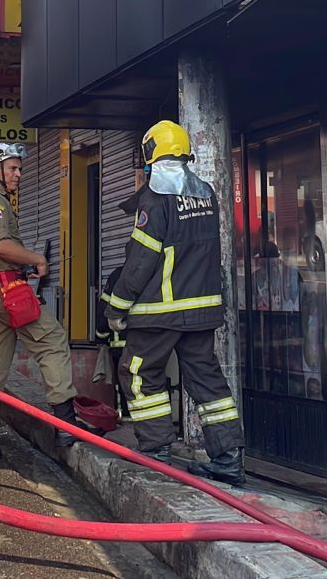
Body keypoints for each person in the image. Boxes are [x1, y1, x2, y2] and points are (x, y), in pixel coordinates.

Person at [103, 120, 245, 485]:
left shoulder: (154, 199)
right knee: (208, 383)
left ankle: (156, 452)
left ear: (151, 153)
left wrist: (117, 306)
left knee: (138, 372)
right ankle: (228, 459)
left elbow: (140, 260)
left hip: (159, 313)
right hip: (201, 312)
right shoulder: (206, 194)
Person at [0, 142, 80, 465]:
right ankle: (66, 424)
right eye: (13, 168)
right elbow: (0, 246)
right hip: (4, 290)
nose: (18, 174)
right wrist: (37, 258)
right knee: (52, 340)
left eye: (19, 169)